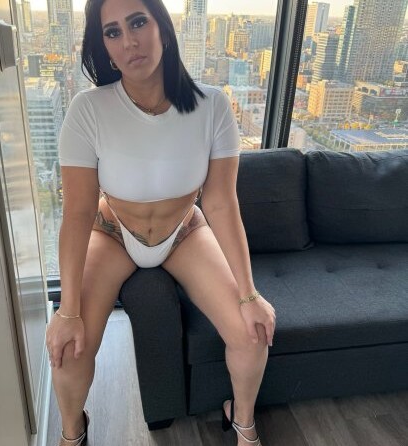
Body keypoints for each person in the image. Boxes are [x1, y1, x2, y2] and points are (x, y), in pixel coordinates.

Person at [45, 0, 276, 444]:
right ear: (104, 47)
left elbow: (221, 203)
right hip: (113, 233)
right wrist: (67, 311)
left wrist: (250, 294)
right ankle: (73, 433)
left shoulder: (212, 106)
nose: (129, 41)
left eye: (138, 23)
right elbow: (77, 213)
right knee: (70, 348)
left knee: (252, 333)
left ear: (163, 30)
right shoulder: (88, 110)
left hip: (183, 233)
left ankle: (243, 422)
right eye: (112, 32)